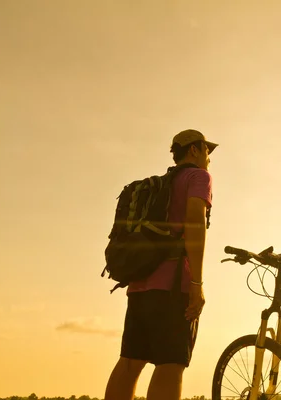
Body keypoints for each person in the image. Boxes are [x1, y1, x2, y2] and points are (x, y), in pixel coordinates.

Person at [104, 129, 217, 400]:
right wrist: (196, 283)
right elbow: (195, 224)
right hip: (172, 284)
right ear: (194, 150)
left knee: (131, 361)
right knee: (171, 363)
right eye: (206, 151)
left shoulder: (160, 185)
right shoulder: (198, 177)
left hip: (140, 284)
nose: (209, 158)